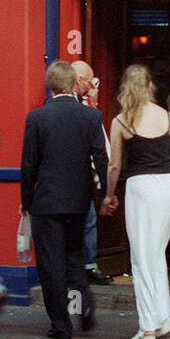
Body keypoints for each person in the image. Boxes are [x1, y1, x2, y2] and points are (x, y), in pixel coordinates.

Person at [20, 60, 108, 339]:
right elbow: (100, 157)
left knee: (51, 262)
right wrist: (107, 193)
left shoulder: (37, 117)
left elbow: (29, 164)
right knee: (74, 256)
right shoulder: (91, 117)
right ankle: (84, 304)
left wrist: (26, 199)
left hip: (47, 200)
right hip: (79, 199)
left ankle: (61, 324)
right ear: (73, 84)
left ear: (50, 85)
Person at [100, 64, 170, 339]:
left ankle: (148, 328)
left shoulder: (121, 121)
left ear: (126, 87)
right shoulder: (168, 116)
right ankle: (162, 318)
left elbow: (114, 165)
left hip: (141, 188)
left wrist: (109, 195)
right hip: (168, 187)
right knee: (156, 255)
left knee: (141, 259)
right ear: (150, 86)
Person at [71, 60, 113, 286]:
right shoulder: (67, 103)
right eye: (89, 81)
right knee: (80, 221)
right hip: (73, 173)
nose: (91, 86)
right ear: (79, 80)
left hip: (84, 174)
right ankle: (80, 268)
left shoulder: (86, 104)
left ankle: (88, 265)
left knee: (88, 220)